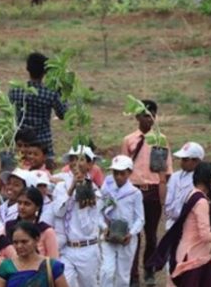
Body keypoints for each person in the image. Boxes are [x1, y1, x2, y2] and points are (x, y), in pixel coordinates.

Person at [147, 162, 211, 286]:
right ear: (209, 178)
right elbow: (205, 235)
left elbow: (197, 224)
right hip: (194, 256)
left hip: (195, 254)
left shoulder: (193, 194)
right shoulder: (201, 201)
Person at [120, 99, 173, 287]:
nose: (148, 120)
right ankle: (133, 274)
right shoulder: (129, 140)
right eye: (145, 115)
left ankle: (149, 270)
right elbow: (122, 168)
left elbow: (165, 172)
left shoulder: (160, 140)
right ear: (137, 117)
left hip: (151, 191)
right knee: (133, 234)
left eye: (152, 116)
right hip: (133, 190)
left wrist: (163, 196)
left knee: (151, 234)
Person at [52, 146, 102, 287]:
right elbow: (58, 211)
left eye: (80, 159)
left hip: (88, 249)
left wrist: (82, 196)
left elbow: (87, 228)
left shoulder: (94, 190)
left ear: (90, 164)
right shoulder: (61, 186)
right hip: (67, 249)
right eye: (72, 159)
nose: (75, 163)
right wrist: (72, 188)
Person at [8, 53, 67, 158]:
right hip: (43, 146)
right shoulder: (50, 93)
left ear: (27, 69)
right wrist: (62, 92)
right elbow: (63, 114)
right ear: (45, 72)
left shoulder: (15, 91)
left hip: (21, 144)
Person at [100, 156, 145, 287]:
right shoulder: (107, 188)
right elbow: (99, 212)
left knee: (122, 276)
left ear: (129, 173)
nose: (118, 177)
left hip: (127, 238)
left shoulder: (135, 193)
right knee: (106, 271)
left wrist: (131, 233)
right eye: (115, 173)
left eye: (122, 173)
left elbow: (140, 218)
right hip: (109, 235)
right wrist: (104, 226)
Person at [0, 222, 68, 287]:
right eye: (15, 242)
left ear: (36, 240)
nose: (19, 246)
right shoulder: (6, 267)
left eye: (24, 242)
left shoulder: (52, 266)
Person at [3, 187, 58, 259]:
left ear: (37, 207)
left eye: (27, 204)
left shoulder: (46, 231)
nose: (22, 207)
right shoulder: (9, 226)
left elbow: (53, 260)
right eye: (19, 203)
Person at [164, 142, 205, 230]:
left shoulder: (200, 180)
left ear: (197, 161)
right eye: (182, 159)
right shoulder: (175, 176)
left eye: (185, 160)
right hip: (171, 223)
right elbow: (169, 201)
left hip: (189, 225)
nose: (182, 162)